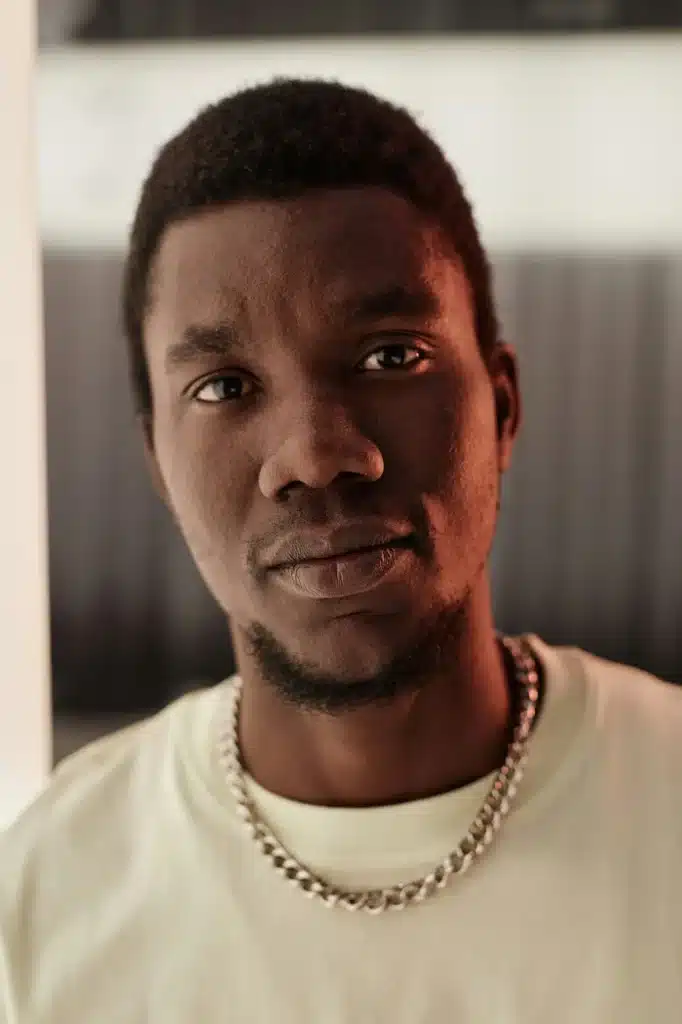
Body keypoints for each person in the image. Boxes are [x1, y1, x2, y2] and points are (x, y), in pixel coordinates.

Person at [1, 78, 681, 1024]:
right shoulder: (43, 901)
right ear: (157, 460)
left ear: (502, 407)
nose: (317, 457)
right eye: (226, 387)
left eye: (390, 356)